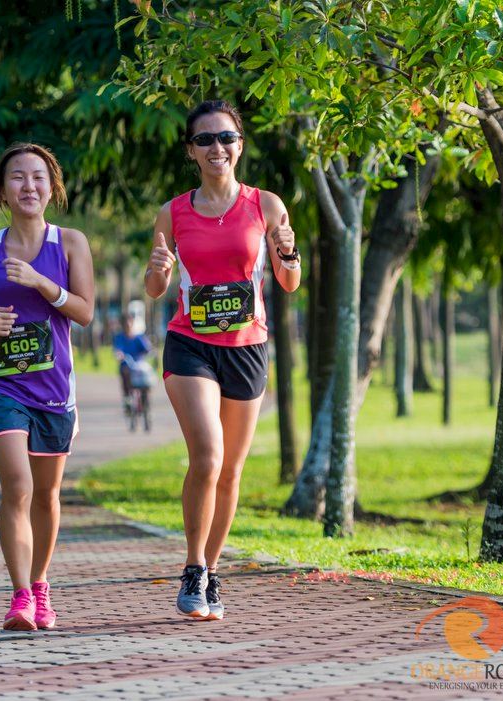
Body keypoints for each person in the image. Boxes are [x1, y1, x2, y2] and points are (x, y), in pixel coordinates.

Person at [144, 99, 301, 621]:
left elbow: (288, 282)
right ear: (191, 150)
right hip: (189, 344)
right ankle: (191, 566)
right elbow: (155, 288)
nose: (218, 148)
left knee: (231, 471)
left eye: (227, 138)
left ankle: (212, 570)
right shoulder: (174, 211)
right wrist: (159, 269)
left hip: (248, 347)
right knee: (208, 456)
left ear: (240, 145)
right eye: (206, 139)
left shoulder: (267, 205)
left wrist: (290, 251)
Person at [0, 142, 94, 631]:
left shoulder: (70, 243)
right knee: (19, 486)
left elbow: (85, 311)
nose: (28, 186)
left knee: (48, 496)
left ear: (52, 188)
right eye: (18, 177)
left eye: (38, 177)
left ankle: (40, 585)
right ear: (3, 191)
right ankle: (17, 598)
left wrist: (40, 282)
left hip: (54, 389)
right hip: (0, 386)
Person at [112, 311, 153, 402]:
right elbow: (117, 350)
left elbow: (147, 348)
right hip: (127, 364)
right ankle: (127, 398)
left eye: (130, 321)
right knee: (125, 372)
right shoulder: (119, 338)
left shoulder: (138, 337)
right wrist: (119, 354)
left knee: (146, 375)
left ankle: (145, 400)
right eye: (126, 322)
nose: (128, 324)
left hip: (139, 365)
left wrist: (150, 351)